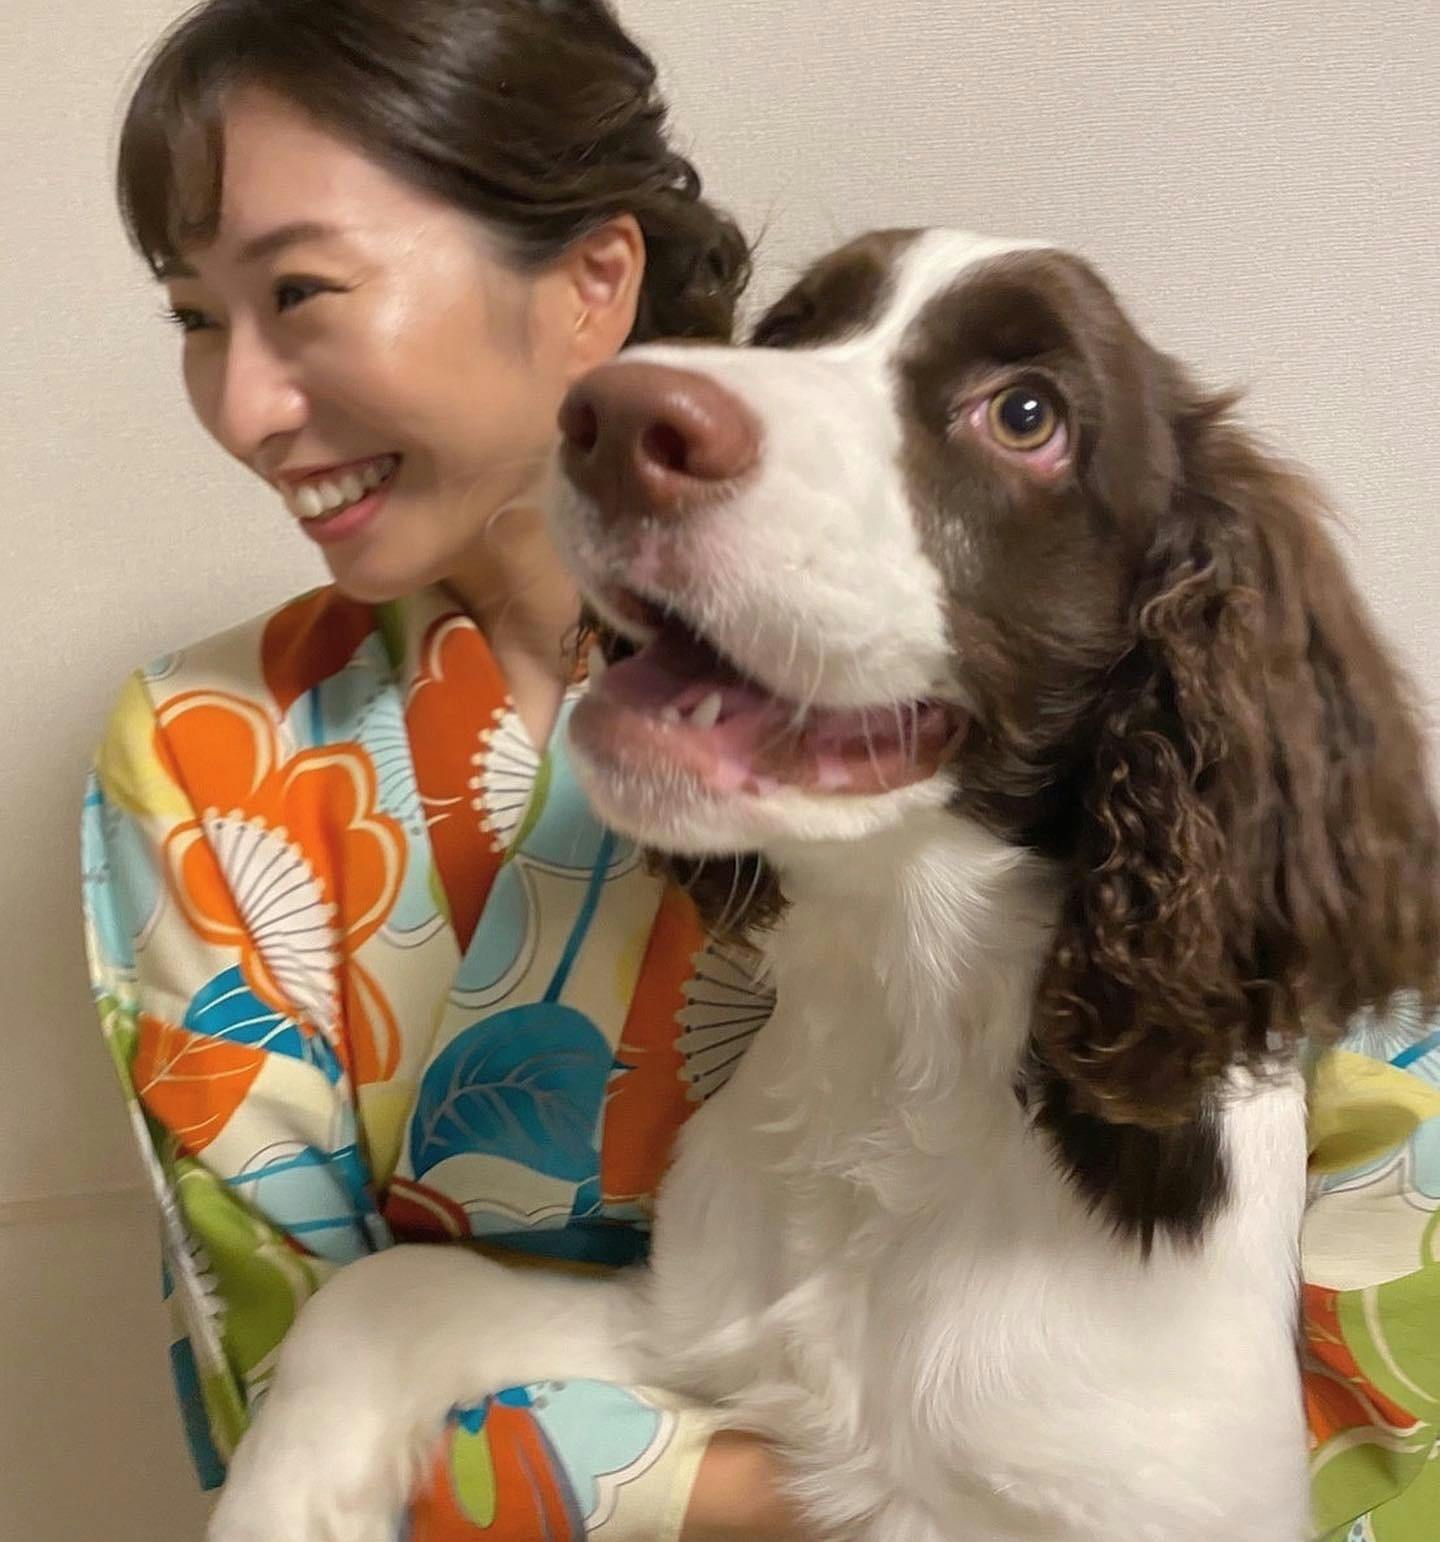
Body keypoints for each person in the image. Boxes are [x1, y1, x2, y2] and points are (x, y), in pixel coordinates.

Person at [81, 1, 808, 1536]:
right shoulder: (212, 748)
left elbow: (1295, 1233)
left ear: (593, 280)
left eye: (299, 291)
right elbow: (292, 1413)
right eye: (197, 318)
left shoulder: (913, 678)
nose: (243, 408)